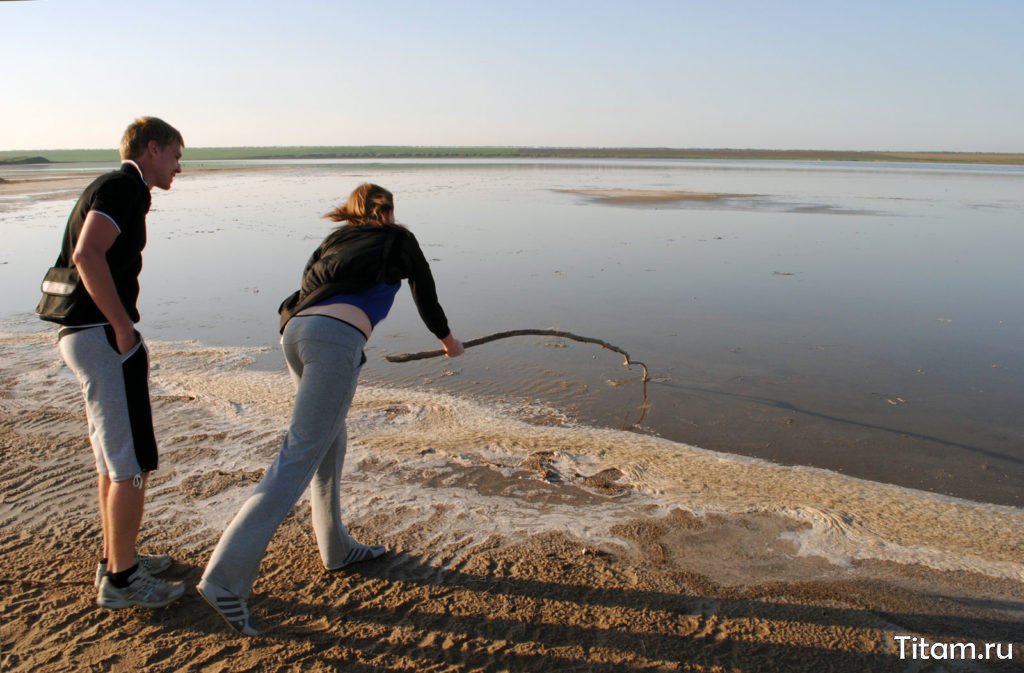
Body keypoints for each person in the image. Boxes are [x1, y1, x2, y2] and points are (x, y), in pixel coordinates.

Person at [198, 183, 464, 636]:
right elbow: (424, 288)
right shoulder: (397, 237)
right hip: (333, 340)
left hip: (295, 333)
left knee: (328, 442)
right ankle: (224, 579)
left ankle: (336, 548)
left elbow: (307, 287)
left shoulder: (333, 241)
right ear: (388, 210)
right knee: (299, 453)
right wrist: (447, 340)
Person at [46, 117, 185, 608]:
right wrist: (123, 326)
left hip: (84, 334)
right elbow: (88, 254)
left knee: (111, 458)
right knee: (131, 463)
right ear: (152, 149)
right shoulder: (125, 188)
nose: (179, 167)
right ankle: (124, 581)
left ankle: (116, 558)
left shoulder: (117, 187)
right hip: (101, 335)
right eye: (175, 156)